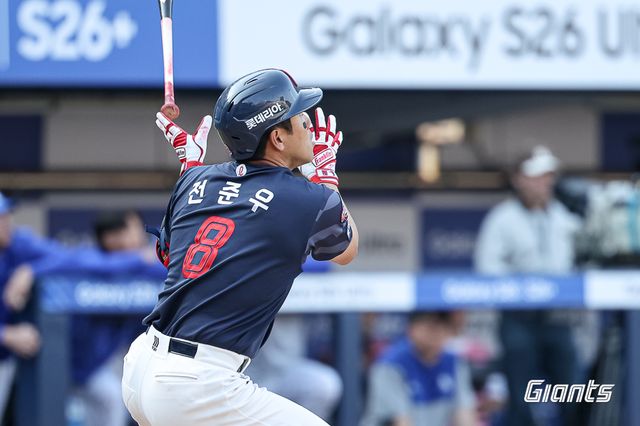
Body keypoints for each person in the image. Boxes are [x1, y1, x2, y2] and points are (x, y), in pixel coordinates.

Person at [122, 68, 359, 426]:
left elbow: (168, 256)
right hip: (197, 383)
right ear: (277, 138)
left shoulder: (194, 177)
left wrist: (189, 172)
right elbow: (346, 250)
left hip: (142, 366)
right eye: (300, 118)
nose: (309, 125)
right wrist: (325, 176)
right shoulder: (307, 197)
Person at [3, 209, 166, 426]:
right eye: (131, 230)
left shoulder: (145, 265)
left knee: (111, 398)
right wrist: (29, 270)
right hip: (56, 363)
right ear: (110, 237)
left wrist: (143, 260)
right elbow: (85, 262)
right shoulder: (87, 257)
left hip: (92, 369)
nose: (138, 237)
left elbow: (167, 270)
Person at [474, 146, 581, 426]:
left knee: (573, 392)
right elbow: (486, 267)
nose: (543, 183)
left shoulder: (564, 216)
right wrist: (524, 285)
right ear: (518, 179)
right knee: (521, 398)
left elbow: (579, 261)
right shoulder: (502, 218)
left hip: (558, 317)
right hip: (518, 318)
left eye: (548, 176)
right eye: (536, 176)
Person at [361, 311, 476, 426]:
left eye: (443, 325)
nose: (437, 332)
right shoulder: (390, 365)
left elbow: (465, 414)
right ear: (412, 329)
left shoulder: (454, 362)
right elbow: (401, 421)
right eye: (430, 326)